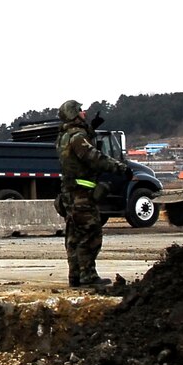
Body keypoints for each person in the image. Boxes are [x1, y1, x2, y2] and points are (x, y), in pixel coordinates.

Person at [56, 98, 129, 289]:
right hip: (83, 194)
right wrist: (120, 168)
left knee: (73, 237)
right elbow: (94, 158)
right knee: (91, 235)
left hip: (69, 194)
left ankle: (75, 275)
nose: (84, 113)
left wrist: (91, 129)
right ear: (73, 114)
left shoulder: (64, 136)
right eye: (80, 110)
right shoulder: (78, 137)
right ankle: (88, 275)